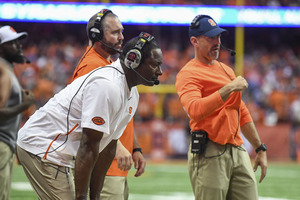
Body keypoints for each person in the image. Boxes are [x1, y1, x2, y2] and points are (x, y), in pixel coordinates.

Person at [17, 32, 163, 200]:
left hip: (61, 149)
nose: (160, 71)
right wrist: (82, 197)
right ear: (133, 60)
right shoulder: (106, 85)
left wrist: (95, 196)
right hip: (44, 144)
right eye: (155, 65)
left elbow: (108, 147)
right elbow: (88, 145)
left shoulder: (132, 93)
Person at [175, 15, 268, 200]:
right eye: (210, 38)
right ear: (194, 41)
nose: (217, 42)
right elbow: (195, 110)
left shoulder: (226, 70)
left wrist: (259, 148)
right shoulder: (188, 73)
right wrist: (229, 88)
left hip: (237, 149)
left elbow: (240, 110)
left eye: (218, 37)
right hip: (209, 151)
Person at [71, 9, 146, 200]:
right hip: (104, 164)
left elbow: (121, 115)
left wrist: (134, 147)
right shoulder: (92, 67)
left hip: (114, 163)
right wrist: (119, 147)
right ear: (96, 35)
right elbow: (90, 119)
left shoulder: (108, 64)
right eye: (115, 33)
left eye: (121, 31)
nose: (122, 37)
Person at [0, 25, 34, 199]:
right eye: (12, 43)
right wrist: (24, 105)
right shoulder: (2, 69)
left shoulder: (7, 69)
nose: (19, 46)